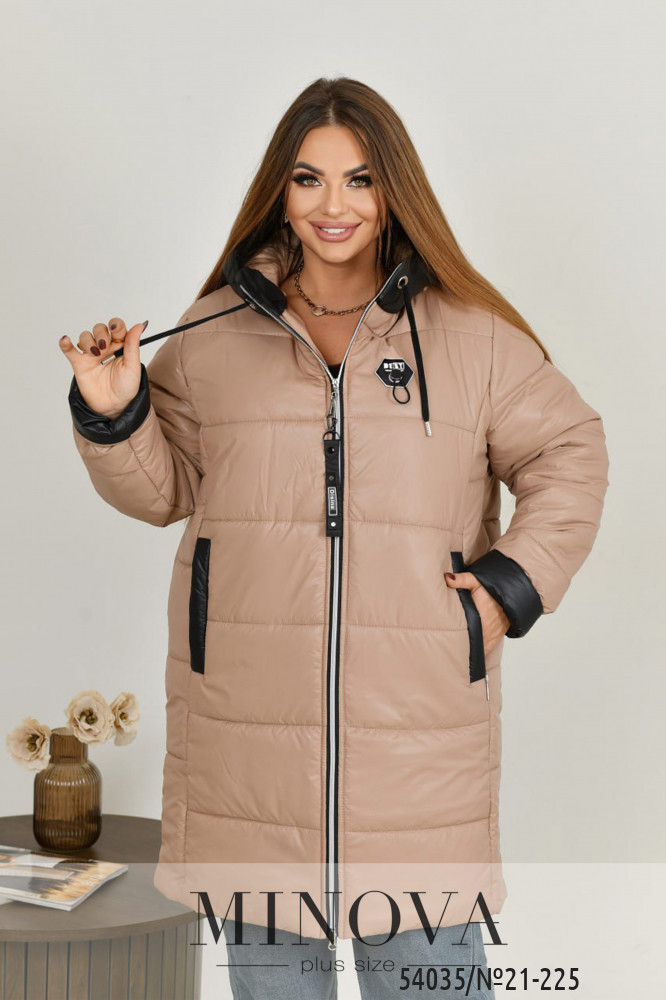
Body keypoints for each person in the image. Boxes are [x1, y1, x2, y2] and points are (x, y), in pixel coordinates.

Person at [59, 77, 609, 999]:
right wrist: (115, 413)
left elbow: (570, 452)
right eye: (309, 178)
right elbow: (165, 490)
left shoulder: (471, 340)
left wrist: (510, 586)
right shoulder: (214, 333)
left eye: (359, 179)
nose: (333, 205)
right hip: (247, 753)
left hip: (418, 750)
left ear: (393, 190)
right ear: (281, 192)